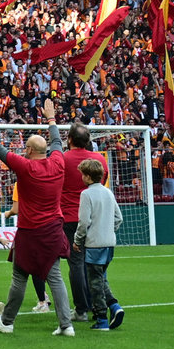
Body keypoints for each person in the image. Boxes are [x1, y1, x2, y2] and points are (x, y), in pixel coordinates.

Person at [0, 121, 75, 336]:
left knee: (19, 277)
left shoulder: (25, 166)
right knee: (55, 277)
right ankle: (66, 325)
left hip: (30, 231)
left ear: (29, 150)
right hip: (53, 229)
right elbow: (57, 142)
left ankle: (7, 321)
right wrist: (51, 121)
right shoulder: (58, 162)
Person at [56, 123, 115, 326]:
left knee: (76, 265)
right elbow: (102, 182)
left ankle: (81, 309)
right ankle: (101, 305)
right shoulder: (99, 159)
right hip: (96, 219)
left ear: (69, 139)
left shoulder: (61, 159)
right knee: (95, 266)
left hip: (70, 217)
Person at [74, 157, 123, 329]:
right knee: (101, 278)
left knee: (94, 282)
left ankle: (101, 318)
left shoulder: (86, 194)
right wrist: (108, 230)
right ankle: (114, 306)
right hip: (109, 243)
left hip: (94, 244)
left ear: (87, 176)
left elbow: (83, 222)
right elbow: (119, 218)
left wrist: (77, 240)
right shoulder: (108, 192)